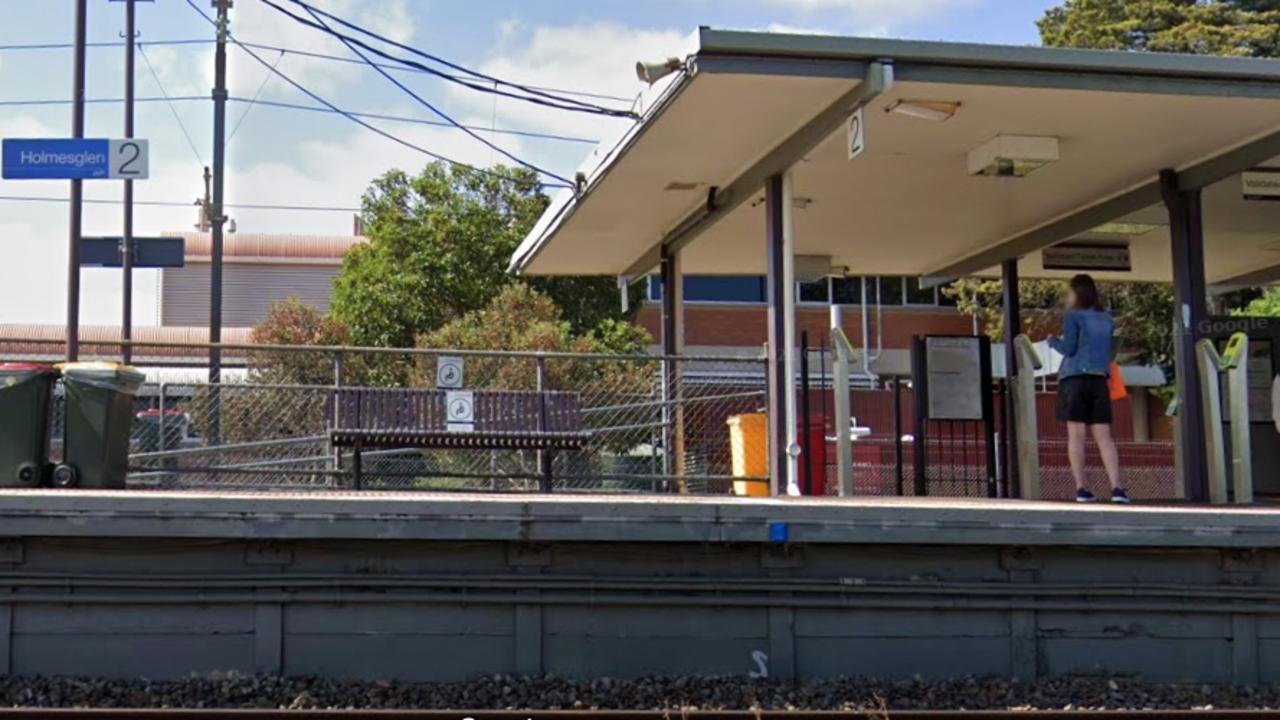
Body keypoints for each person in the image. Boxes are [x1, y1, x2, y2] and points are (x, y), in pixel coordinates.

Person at [1048, 274, 1129, 504]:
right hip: (1098, 379)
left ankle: (1082, 488)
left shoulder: (1073, 316)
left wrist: (1053, 341)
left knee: (1076, 436)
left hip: (1074, 378)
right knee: (1104, 437)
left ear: (1077, 292)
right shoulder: (1107, 319)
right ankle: (1117, 488)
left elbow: (1069, 348)